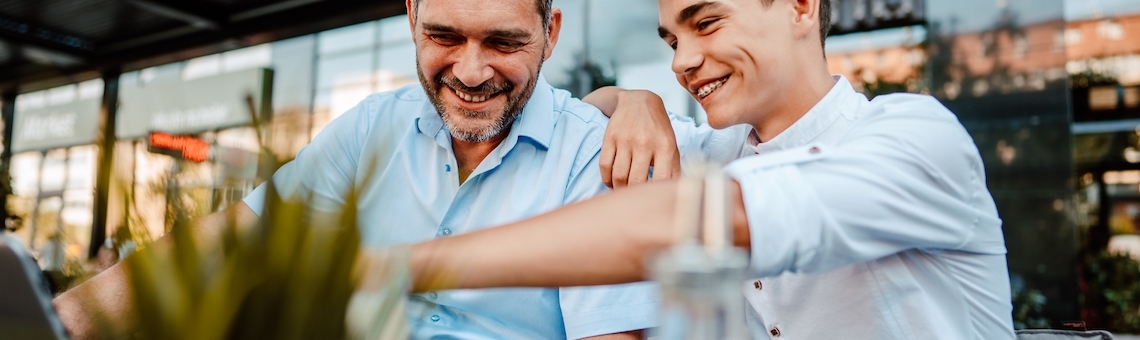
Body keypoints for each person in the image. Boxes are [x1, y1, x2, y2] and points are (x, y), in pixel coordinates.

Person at [395, 0, 1016, 338]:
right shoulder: (708, 151)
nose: (683, 61)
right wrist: (635, 100)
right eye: (671, 41)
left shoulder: (914, 137)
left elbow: (690, 220)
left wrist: (393, 270)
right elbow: (583, 124)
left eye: (707, 22)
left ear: (802, 6)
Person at [53, 0, 660, 339]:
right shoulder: (372, 127)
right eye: (443, 36)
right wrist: (56, 326)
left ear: (550, 35)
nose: (471, 73)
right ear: (410, 19)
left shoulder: (596, 154)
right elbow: (230, 237)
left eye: (503, 43)